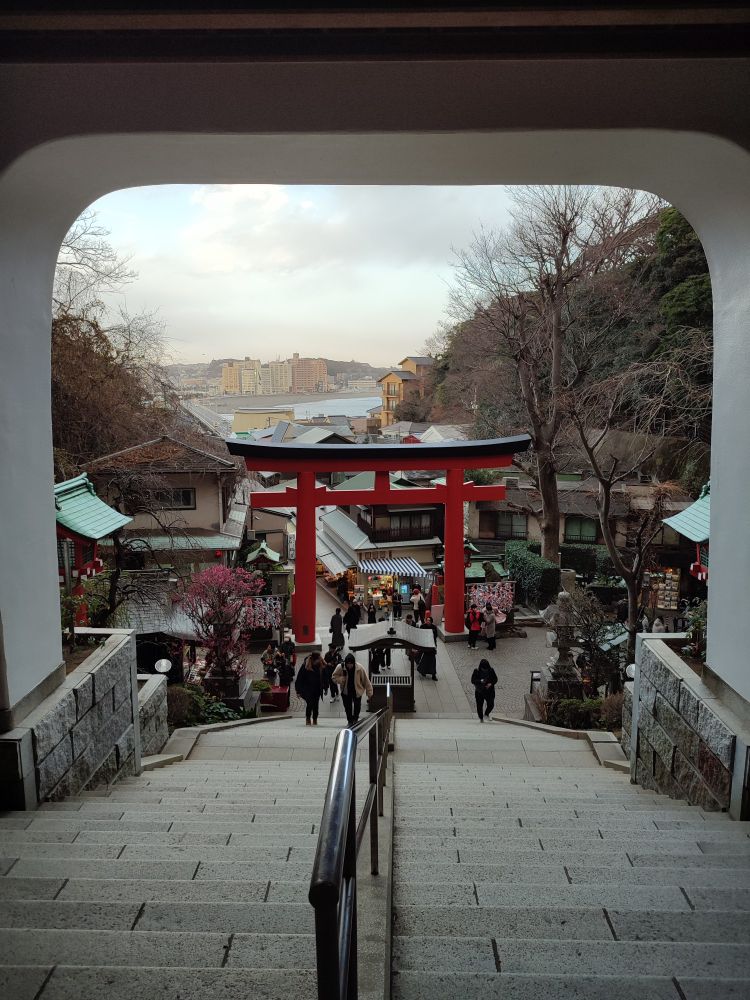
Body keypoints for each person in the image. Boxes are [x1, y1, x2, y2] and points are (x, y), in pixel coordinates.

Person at [332, 652, 373, 727]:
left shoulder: (359, 668)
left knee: (357, 706)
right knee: (348, 707)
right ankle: (350, 721)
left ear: (354, 663)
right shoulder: (340, 667)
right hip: (346, 690)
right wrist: (341, 679)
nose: (349, 665)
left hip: (357, 690)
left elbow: (366, 681)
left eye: (351, 663)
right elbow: (334, 677)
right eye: (348, 663)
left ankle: (355, 719)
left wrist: (369, 693)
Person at [295, 651, 324, 726]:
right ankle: (308, 718)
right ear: (315, 659)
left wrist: (326, 687)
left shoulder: (320, 664)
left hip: (317, 689)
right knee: (310, 703)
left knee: (316, 705)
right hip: (308, 689)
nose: (320, 659)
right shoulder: (305, 665)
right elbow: (299, 678)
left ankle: (315, 718)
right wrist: (298, 690)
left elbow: (324, 676)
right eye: (318, 658)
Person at [471, 657, 498, 722]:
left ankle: (486, 714)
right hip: (480, 691)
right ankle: (481, 718)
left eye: (485, 669)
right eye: (483, 669)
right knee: (479, 705)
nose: (484, 670)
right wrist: (480, 681)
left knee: (491, 704)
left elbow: (495, 679)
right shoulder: (476, 671)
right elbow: (473, 680)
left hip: (489, 691)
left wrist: (491, 684)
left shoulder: (491, 670)